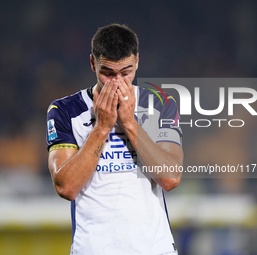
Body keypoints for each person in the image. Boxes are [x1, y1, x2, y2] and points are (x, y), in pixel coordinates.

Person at [46, 24, 183, 255]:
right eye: (108, 73)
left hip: (154, 249)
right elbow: (66, 186)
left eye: (126, 72)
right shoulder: (64, 110)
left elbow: (171, 178)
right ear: (93, 63)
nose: (117, 82)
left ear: (138, 62)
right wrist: (101, 128)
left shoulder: (161, 103)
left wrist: (129, 123)